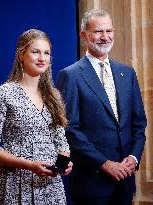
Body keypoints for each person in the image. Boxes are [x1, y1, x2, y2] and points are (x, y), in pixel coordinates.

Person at [57, 9, 147, 205]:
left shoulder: (127, 73)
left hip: (124, 180)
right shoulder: (70, 75)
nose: (105, 37)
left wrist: (133, 157)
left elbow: (139, 123)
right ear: (83, 35)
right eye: (98, 32)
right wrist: (103, 163)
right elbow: (69, 128)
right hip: (91, 183)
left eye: (109, 31)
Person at [0, 28, 73, 205]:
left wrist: (65, 161)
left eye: (46, 53)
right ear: (21, 55)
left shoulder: (53, 96)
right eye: (35, 52)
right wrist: (29, 165)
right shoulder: (3, 94)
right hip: (16, 186)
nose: (42, 58)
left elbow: (61, 141)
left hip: (51, 188)